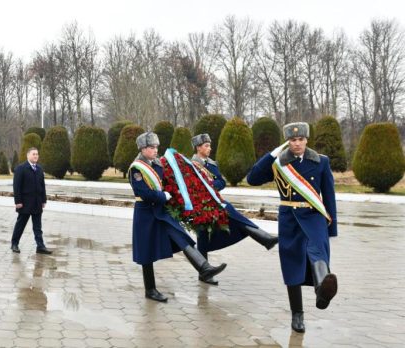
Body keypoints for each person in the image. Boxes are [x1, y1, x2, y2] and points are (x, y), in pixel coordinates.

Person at [247, 122, 338, 333]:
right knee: (292, 264)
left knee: (318, 251)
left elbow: (329, 196)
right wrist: (271, 155)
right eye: (293, 140)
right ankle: (297, 315)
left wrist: (331, 229)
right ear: (287, 142)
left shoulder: (321, 161)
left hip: (314, 216)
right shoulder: (279, 163)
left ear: (307, 140)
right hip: (289, 218)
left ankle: (322, 293)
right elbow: (252, 179)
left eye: (301, 139)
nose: (297, 144)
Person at [129, 132, 226, 302]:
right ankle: (150, 290)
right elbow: (142, 192)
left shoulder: (157, 165)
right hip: (145, 212)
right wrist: (163, 196)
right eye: (151, 147)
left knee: (180, 235)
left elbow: (167, 182)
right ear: (143, 149)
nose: (155, 150)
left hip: (161, 211)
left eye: (156, 147)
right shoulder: (137, 168)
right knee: (147, 251)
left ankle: (204, 267)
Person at [191, 134, 278, 285]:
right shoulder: (190, 164)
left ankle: (262, 237)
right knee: (202, 235)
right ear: (198, 147)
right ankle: (204, 273)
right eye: (206, 146)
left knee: (230, 212)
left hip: (214, 201)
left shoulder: (211, 164)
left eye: (210, 145)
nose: (210, 148)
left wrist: (211, 186)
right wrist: (206, 187)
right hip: (198, 204)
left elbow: (221, 182)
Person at [11, 147, 52, 255]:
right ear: (28, 155)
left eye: (37, 154)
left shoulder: (39, 169)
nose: (36, 156)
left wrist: (43, 200)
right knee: (20, 225)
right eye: (33, 154)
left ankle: (40, 246)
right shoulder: (21, 168)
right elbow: (17, 186)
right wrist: (18, 201)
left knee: (38, 227)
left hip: (37, 203)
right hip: (24, 204)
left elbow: (42, 186)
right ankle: (14, 244)